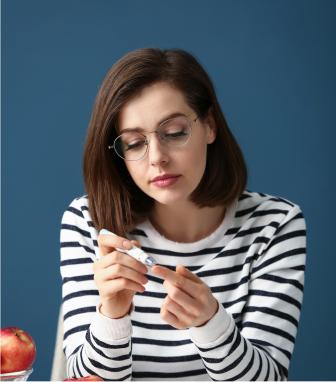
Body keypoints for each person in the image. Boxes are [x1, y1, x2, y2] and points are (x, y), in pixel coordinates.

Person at [60, 48, 306, 381]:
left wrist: (212, 325)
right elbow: (83, 378)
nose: (157, 157)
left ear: (209, 126)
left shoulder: (275, 224)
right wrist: (113, 317)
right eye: (134, 143)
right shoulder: (89, 223)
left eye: (174, 133)